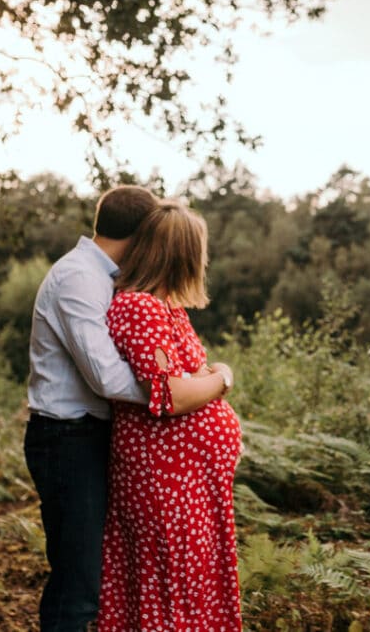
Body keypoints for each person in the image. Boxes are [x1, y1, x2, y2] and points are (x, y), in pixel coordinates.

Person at [97, 200, 242, 631]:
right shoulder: (140, 308)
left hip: (188, 482)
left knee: (190, 587)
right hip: (166, 483)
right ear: (182, 254)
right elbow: (173, 394)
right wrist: (223, 379)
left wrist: (207, 380)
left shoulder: (167, 309)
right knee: (170, 588)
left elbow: (185, 379)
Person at [24, 185, 160, 632]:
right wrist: (173, 393)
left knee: (88, 576)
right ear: (141, 235)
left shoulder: (101, 276)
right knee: (77, 582)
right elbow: (106, 375)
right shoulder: (79, 278)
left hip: (85, 437)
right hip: (67, 439)